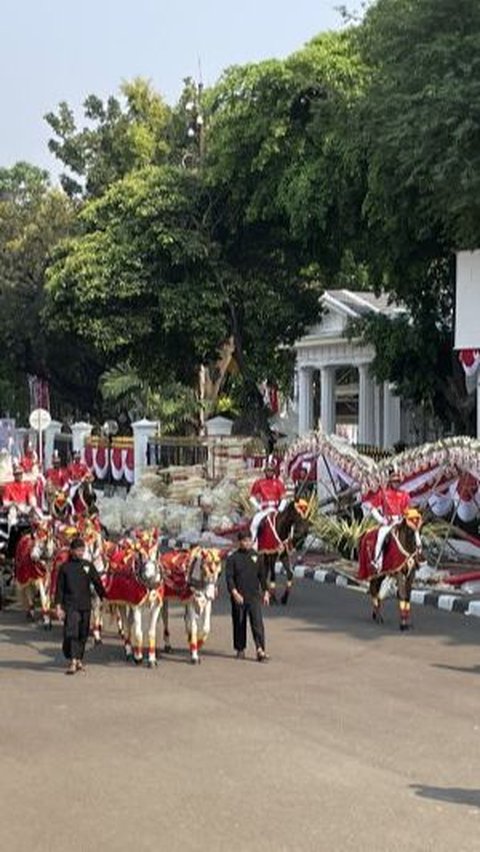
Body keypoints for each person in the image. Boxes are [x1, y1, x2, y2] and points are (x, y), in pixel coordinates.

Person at [55, 536, 106, 674]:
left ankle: (78, 660)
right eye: (78, 550)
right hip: (70, 605)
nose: (80, 552)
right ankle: (72, 661)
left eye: (82, 550)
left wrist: (105, 597)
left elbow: (97, 583)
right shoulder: (64, 568)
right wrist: (58, 606)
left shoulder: (88, 566)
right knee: (72, 632)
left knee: (83, 634)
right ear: (71, 551)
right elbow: (59, 588)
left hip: (85, 605)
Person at [225, 530, 270, 662]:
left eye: (249, 540)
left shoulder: (256, 557)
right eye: (244, 541)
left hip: (254, 596)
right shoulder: (233, 558)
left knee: (257, 623)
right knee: (239, 622)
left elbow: (262, 576)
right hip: (238, 596)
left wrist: (266, 592)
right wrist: (234, 593)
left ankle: (260, 649)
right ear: (239, 542)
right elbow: (229, 578)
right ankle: (240, 648)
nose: (247, 543)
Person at [365, 469, 411, 571]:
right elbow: (373, 509)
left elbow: (407, 510)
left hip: (400, 521)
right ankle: (377, 562)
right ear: (390, 482)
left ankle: (414, 560)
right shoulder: (383, 493)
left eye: (398, 481)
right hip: (388, 522)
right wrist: (382, 520)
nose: (396, 483)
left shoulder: (405, 495)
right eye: (394, 481)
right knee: (381, 537)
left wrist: (404, 519)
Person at [249, 460, 287, 546]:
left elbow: (284, 498)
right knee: (254, 523)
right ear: (265, 471)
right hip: (264, 509)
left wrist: (280, 509)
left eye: (271, 471)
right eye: (267, 471)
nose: (269, 472)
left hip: (275, 508)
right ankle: (254, 543)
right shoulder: (259, 482)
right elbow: (251, 497)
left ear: (274, 472)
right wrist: (258, 506)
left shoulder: (278, 483)